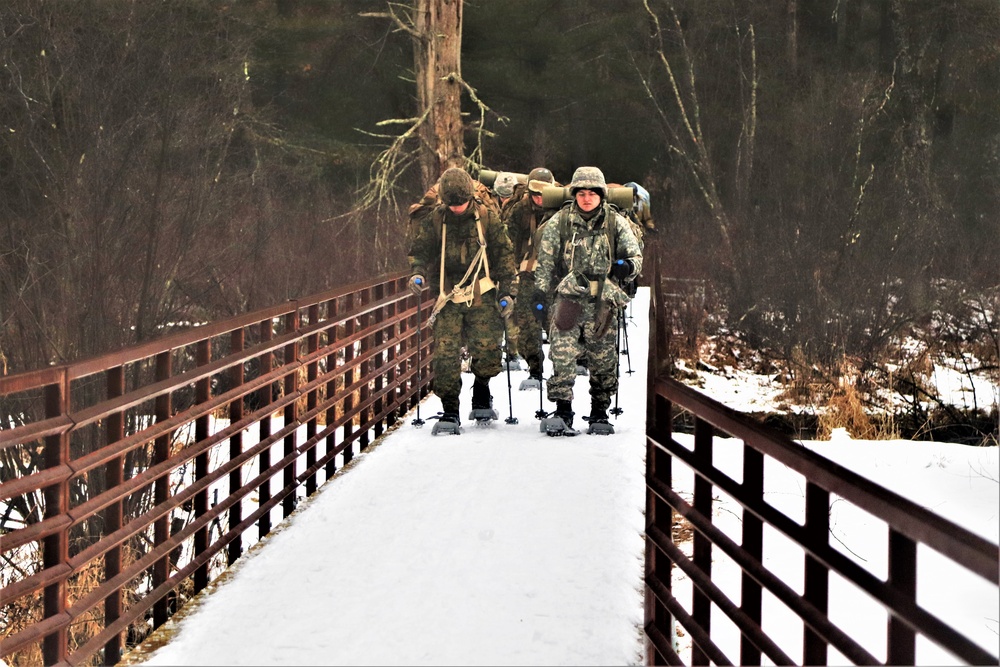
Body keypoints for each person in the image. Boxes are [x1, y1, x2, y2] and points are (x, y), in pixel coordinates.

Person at [407, 167, 518, 431]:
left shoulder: (486, 218)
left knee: (488, 350)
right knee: (445, 356)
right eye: (452, 204)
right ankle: (449, 410)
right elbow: (420, 251)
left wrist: (508, 292)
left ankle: (481, 392)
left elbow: (504, 254)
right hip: (448, 296)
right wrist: (418, 274)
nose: (457, 209)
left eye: (461, 203)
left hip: (482, 292)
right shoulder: (436, 220)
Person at [533, 166, 642, 435]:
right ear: (574, 195)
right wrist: (539, 293)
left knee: (603, 358)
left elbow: (635, 256)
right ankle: (562, 409)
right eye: (581, 193)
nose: (586, 198)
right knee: (562, 355)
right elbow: (545, 262)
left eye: (592, 193)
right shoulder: (560, 222)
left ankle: (599, 412)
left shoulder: (616, 222)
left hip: (603, 300)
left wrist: (626, 267)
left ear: (601, 195)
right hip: (568, 298)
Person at [502, 167, 557, 384]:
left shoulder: (562, 209)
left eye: (544, 193)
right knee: (527, 323)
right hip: (527, 275)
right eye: (535, 194)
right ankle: (535, 369)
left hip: (555, 276)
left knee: (559, 322)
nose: (540, 198)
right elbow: (507, 243)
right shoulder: (520, 210)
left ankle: (566, 368)